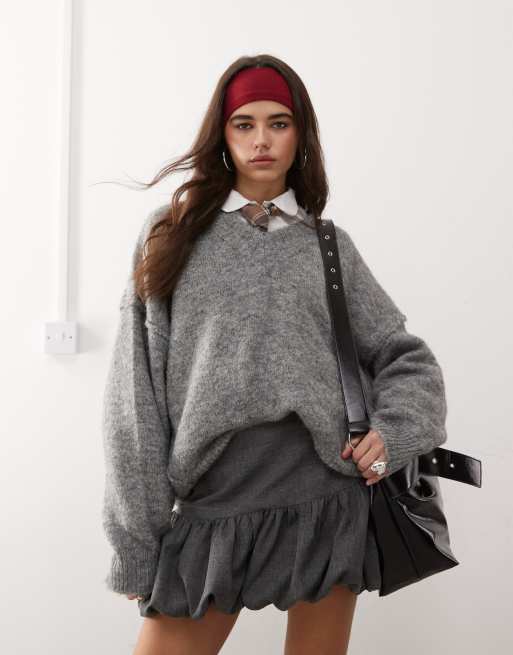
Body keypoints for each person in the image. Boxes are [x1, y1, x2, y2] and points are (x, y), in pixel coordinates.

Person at [101, 54, 448, 655]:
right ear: (222, 135)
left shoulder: (328, 246)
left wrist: (393, 432)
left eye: (279, 123)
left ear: (300, 134)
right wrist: (136, 543)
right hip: (214, 502)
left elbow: (405, 357)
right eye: (244, 123)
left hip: (326, 499)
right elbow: (134, 400)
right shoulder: (170, 235)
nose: (261, 139)